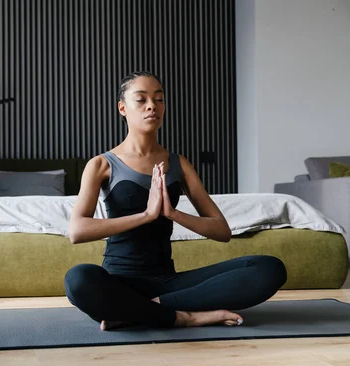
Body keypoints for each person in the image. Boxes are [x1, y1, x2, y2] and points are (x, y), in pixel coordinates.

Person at [64, 71, 287, 331]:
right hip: (118, 283)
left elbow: (221, 231)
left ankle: (144, 310)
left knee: (268, 268)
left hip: (168, 283)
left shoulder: (178, 163)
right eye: (141, 99)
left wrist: (173, 214)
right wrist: (146, 215)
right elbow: (77, 231)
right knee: (78, 279)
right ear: (122, 108)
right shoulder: (102, 164)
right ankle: (185, 316)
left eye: (159, 99)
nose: (152, 106)